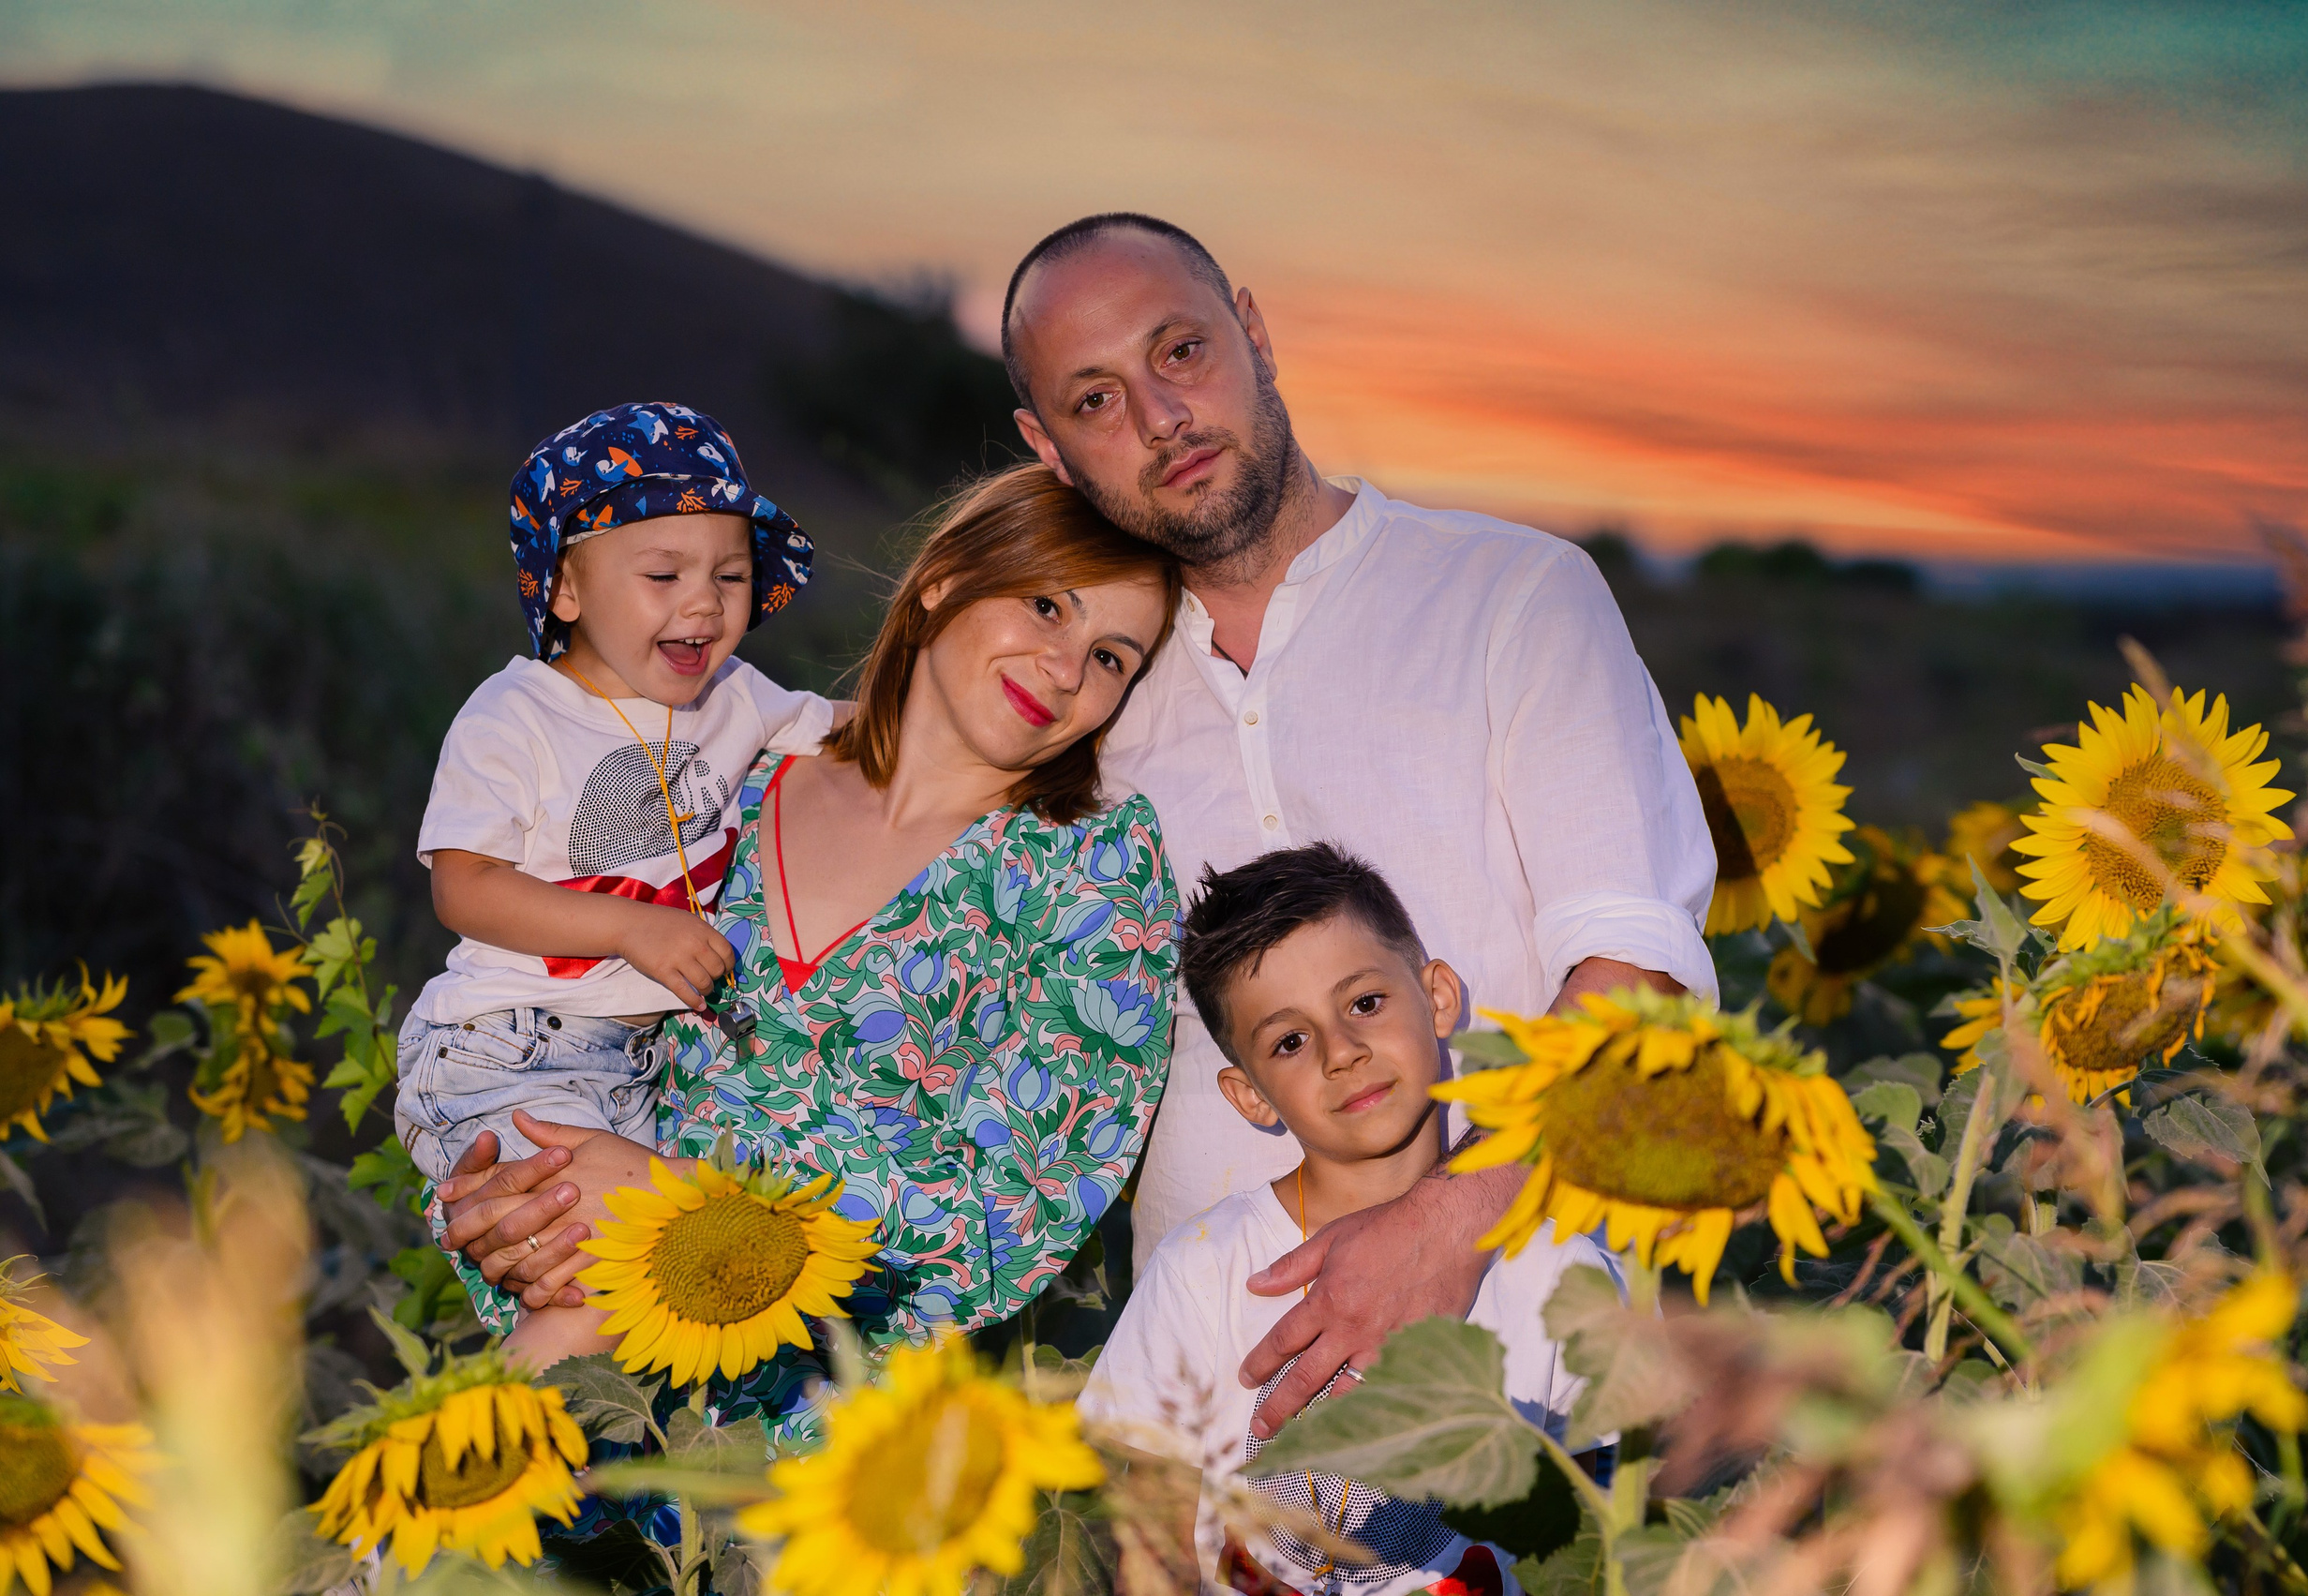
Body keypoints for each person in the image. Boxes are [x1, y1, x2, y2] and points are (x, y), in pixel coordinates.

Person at [1001, 214, 1717, 1434]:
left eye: (1180, 351)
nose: (1161, 416)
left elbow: (1634, 972)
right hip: (1211, 1395)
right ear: (1048, 447)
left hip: (1518, 1361)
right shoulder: (1082, 697)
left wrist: (1442, 1225)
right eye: (1097, 398)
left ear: (1255, 332)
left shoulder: (1515, 594)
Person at [429, 465, 1184, 1396]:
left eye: (1112, 655)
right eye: (1044, 606)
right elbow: (548, 1021)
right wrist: (513, 1202)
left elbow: (1017, 1209)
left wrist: (678, 1204)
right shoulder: (719, 775)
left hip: (823, 1452)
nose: (1067, 669)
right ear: (944, 579)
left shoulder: (1091, 871)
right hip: (600, 1370)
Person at [396, 399, 822, 1368]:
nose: (704, 603)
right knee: (685, 1229)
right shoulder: (517, 714)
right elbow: (463, 886)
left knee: (609, 1297)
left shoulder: (738, 697)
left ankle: (483, 1476)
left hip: (626, 1069)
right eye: (663, 573)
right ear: (569, 590)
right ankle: (438, 1483)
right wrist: (630, 929)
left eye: (730, 573)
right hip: (500, 1048)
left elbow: (855, 736)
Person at [1080, 845, 1616, 1596]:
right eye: (1290, 1041)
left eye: (1365, 1002)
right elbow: (1148, 1532)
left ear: (1437, 996)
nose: (1343, 1052)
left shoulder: (1561, 1273)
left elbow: (1601, 1538)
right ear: (1251, 1095)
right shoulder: (1204, 1270)